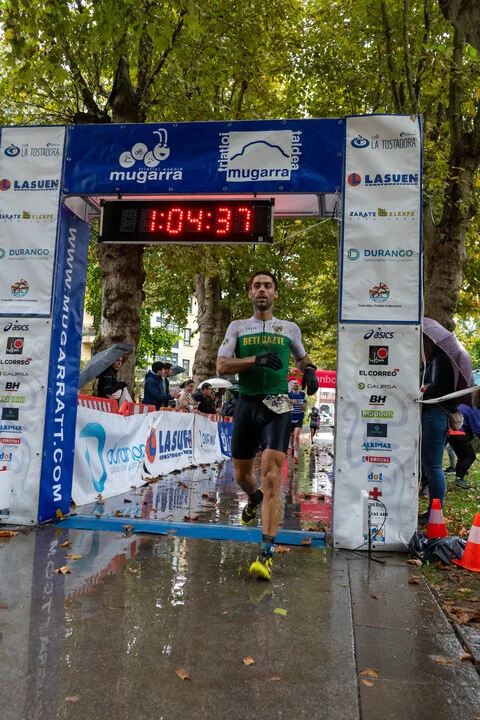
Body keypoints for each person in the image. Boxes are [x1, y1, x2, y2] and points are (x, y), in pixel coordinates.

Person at [216, 270, 318, 580]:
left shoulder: (289, 328)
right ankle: (254, 498)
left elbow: (301, 359)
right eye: (257, 286)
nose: (262, 290)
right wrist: (255, 360)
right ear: (250, 293)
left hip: (278, 407)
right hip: (247, 406)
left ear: (275, 294)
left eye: (268, 286)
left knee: (272, 477)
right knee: (243, 477)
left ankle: (266, 551)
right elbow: (221, 365)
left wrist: (310, 370)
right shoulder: (238, 327)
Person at [419, 336, 456, 524]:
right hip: (431, 414)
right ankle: (434, 512)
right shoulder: (433, 360)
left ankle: (435, 513)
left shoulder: (439, 359)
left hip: (434, 414)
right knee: (430, 465)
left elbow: (434, 387)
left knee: (433, 466)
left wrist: (418, 389)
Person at [288, 379, 307, 464]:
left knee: (297, 436)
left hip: (299, 417)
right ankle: (292, 448)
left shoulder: (302, 394)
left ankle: (296, 456)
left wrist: (304, 405)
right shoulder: (289, 394)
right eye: (294, 383)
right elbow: (285, 403)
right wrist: (291, 401)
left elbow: (305, 402)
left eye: (297, 383)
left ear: (299, 386)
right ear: (292, 386)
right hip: (290, 418)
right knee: (292, 436)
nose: (296, 384)